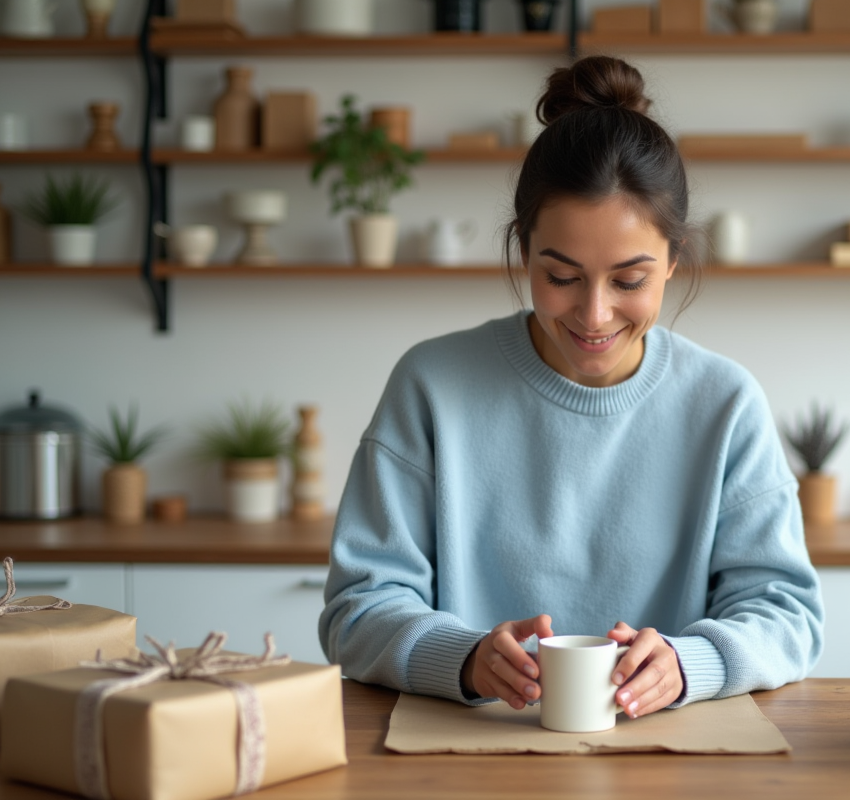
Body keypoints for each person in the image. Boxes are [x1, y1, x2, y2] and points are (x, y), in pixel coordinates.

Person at [319, 55, 823, 720]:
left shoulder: (725, 404)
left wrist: (686, 664)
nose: (593, 314)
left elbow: (788, 617)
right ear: (524, 250)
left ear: (673, 261)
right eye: (561, 276)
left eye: (629, 279)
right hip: (462, 760)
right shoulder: (431, 386)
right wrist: (465, 657)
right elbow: (356, 612)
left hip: (673, 762)